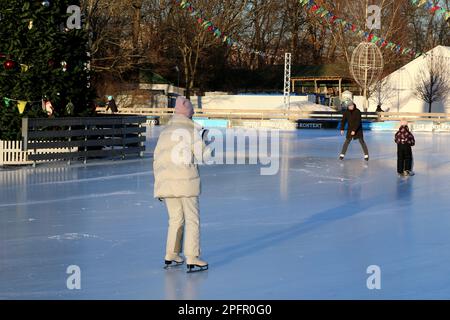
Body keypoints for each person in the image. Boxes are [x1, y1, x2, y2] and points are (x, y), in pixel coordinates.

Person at [153, 96, 212, 273]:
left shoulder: (165, 131)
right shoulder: (191, 130)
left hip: (166, 183)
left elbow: (157, 159)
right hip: (186, 182)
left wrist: (159, 186)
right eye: (192, 113)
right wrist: (206, 141)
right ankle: (193, 257)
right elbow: (204, 156)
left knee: (175, 219)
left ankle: (171, 254)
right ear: (188, 113)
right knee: (192, 219)